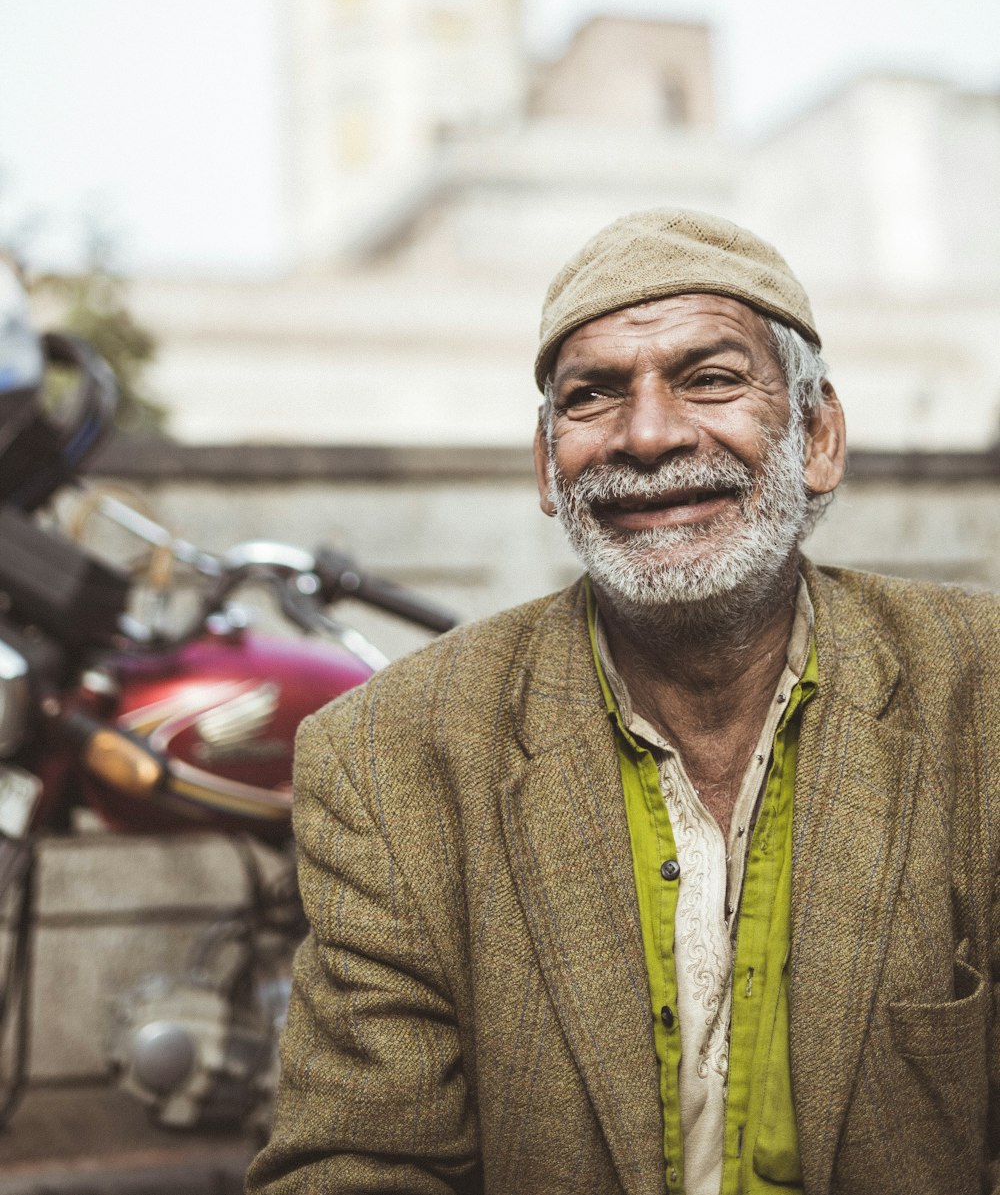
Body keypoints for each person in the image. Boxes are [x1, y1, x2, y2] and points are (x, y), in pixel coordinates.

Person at [247, 208, 999, 1195]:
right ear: (546, 468)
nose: (647, 435)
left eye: (710, 379)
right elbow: (358, 1163)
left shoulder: (978, 694)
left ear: (817, 436)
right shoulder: (392, 753)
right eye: (592, 397)